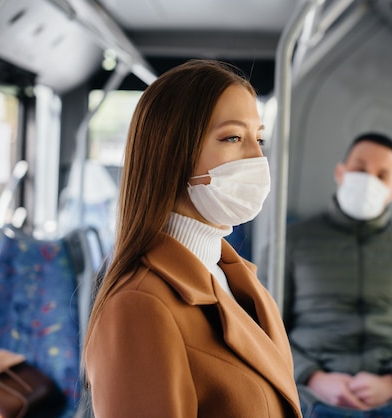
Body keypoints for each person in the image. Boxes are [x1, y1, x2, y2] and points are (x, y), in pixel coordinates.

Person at [82, 59, 301, 417]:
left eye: (258, 138)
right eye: (233, 137)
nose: (257, 157)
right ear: (173, 153)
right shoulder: (139, 305)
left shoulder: (236, 277)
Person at [278, 132, 392, 417]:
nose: (369, 182)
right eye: (360, 169)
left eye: (382, 175)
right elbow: (265, 327)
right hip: (309, 394)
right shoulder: (290, 243)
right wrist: (312, 377)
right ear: (340, 173)